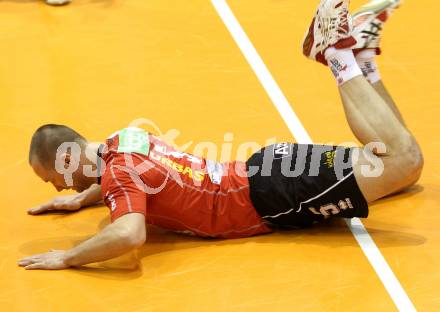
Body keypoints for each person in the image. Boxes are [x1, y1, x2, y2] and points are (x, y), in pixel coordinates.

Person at [18, 0, 423, 270]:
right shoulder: (122, 140)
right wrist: (84, 195)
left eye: (50, 176)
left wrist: (67, 257)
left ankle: (335, 55)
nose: (52, 184)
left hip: (277, 195)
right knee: (404, 167)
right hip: (271, 168)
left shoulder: (118, 176)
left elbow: (129, 233)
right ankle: (364, 61)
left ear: (67, 159)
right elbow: (135, 179)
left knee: (402, 161)